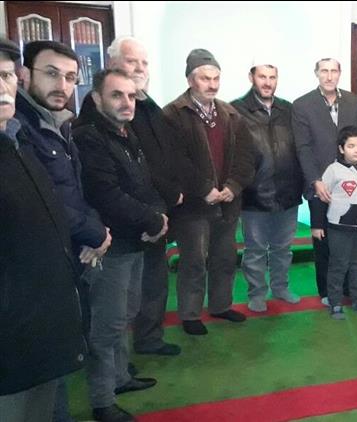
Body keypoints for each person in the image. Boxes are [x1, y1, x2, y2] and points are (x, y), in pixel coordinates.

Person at [15, 39, 111, 422]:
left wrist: (93, 231)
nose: (63, 85)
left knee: (61, 362)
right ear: (25, 75)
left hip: (71, 253)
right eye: (52, 74)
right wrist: (95, 233)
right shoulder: (20, 129)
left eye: (70, 77)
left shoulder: (60, 124)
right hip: (39, 266)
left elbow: (77, 190)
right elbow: (43, 198)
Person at [0, 37, 86, 422]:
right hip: (11, 336)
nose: (2, 86)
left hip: (41, 321)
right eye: (51, 73)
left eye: (5, 75)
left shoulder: (17, 141)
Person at [74, 69, 167, 422]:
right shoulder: (89, 137)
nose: (127, 102)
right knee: (107, 326)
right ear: (97, 98)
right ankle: (102, 401)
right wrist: (153, 221)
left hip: (134, 240)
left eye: (131, 96)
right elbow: (107, 195)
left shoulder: (125, 133)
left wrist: (157, 217)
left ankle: (121, 377)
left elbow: (144, 185)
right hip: (109, 246)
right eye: (117, 95)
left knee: (124, 315)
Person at [162, 49, 255, 335]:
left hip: (227, 202)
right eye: (205, 78)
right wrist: (204, 189)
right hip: (193, 206)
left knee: (225, 258)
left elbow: (246, 156)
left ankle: (220, 305)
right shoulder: (173, 114)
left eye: (216, 78)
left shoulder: (230, 114)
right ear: (190, 80)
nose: (212, 85)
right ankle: (190, 314)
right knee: (193, 261)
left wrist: (233, 186)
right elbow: (174, 161)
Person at [106, 36, 183, 356]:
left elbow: (164, 156)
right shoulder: (106, 114)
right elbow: (131, 172)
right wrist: (155, 207)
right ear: (112, 65)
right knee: (122, 297)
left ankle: (149, 339)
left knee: (154, 282)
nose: (139, 68)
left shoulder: (150, 106)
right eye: (131, 61)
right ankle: (117, 364)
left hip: (157, 213)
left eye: (144, 62)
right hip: (129, 219)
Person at [231, 58, 303, 313]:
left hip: (287, 193)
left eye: (272, 77)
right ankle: (257, 293)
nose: (267, 82)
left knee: (283, 249)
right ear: (251, 77)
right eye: (262, 77)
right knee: (255, 250)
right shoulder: (236, 110)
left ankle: (281, 287)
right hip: (254, 195)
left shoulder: (288, 109)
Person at [293, 57, 357, 305]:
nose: (329, 76)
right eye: (324, 71)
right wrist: (315, 180)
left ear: (340, 73)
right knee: (322, 240)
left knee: (349, 237)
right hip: (320, 185)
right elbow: (303, 147)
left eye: (334, 71)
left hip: (349, 184)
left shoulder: (353, 102)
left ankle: (349, 287)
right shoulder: (302, 105)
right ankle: (325, 291)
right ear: (317, 73)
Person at [312, 126, 357, 319]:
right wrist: (317, 225)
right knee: (338, 265)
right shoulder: (333, 170)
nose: (356, 150)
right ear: (341, 149)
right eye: (351, 146)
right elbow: (320, 198)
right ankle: (335, 303)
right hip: (339, 228)